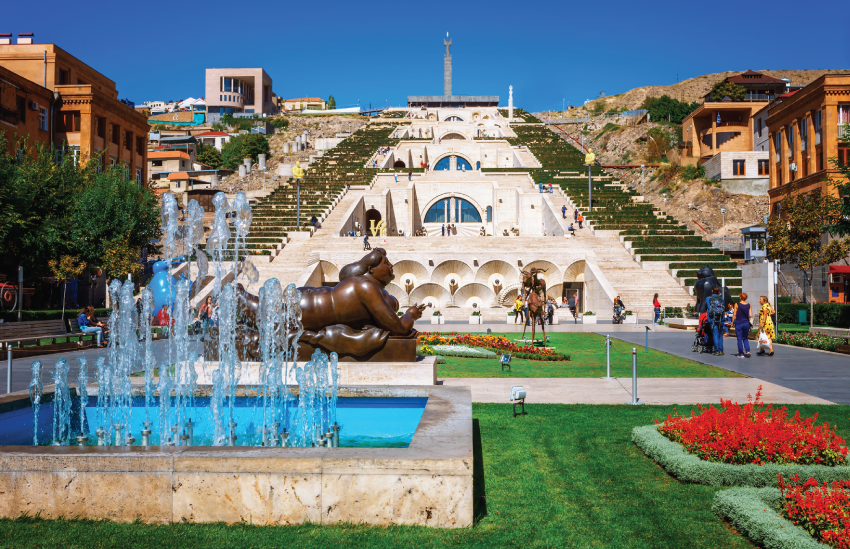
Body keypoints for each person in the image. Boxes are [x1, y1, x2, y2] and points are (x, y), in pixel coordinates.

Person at [732, 293, 753, 358]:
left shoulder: (737, 304)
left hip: (739, 323)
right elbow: (750, 315)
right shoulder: (749, 305)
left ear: (740, 297)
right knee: (745, 338)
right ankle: (748, 350)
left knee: (739, 339)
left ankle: (741, 353)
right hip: (746, 323)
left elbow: (734, 314)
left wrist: (732, 322)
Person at [707, 286, 725, 356]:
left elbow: (708, 307)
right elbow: (723, 307)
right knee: (720, 334)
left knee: (715, 334)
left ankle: (716, 350)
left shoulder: (709, 298)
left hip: (713, 319)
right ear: (718, 292)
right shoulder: (721, 299)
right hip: (721, 319)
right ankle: (721, 350)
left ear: (712, 291)